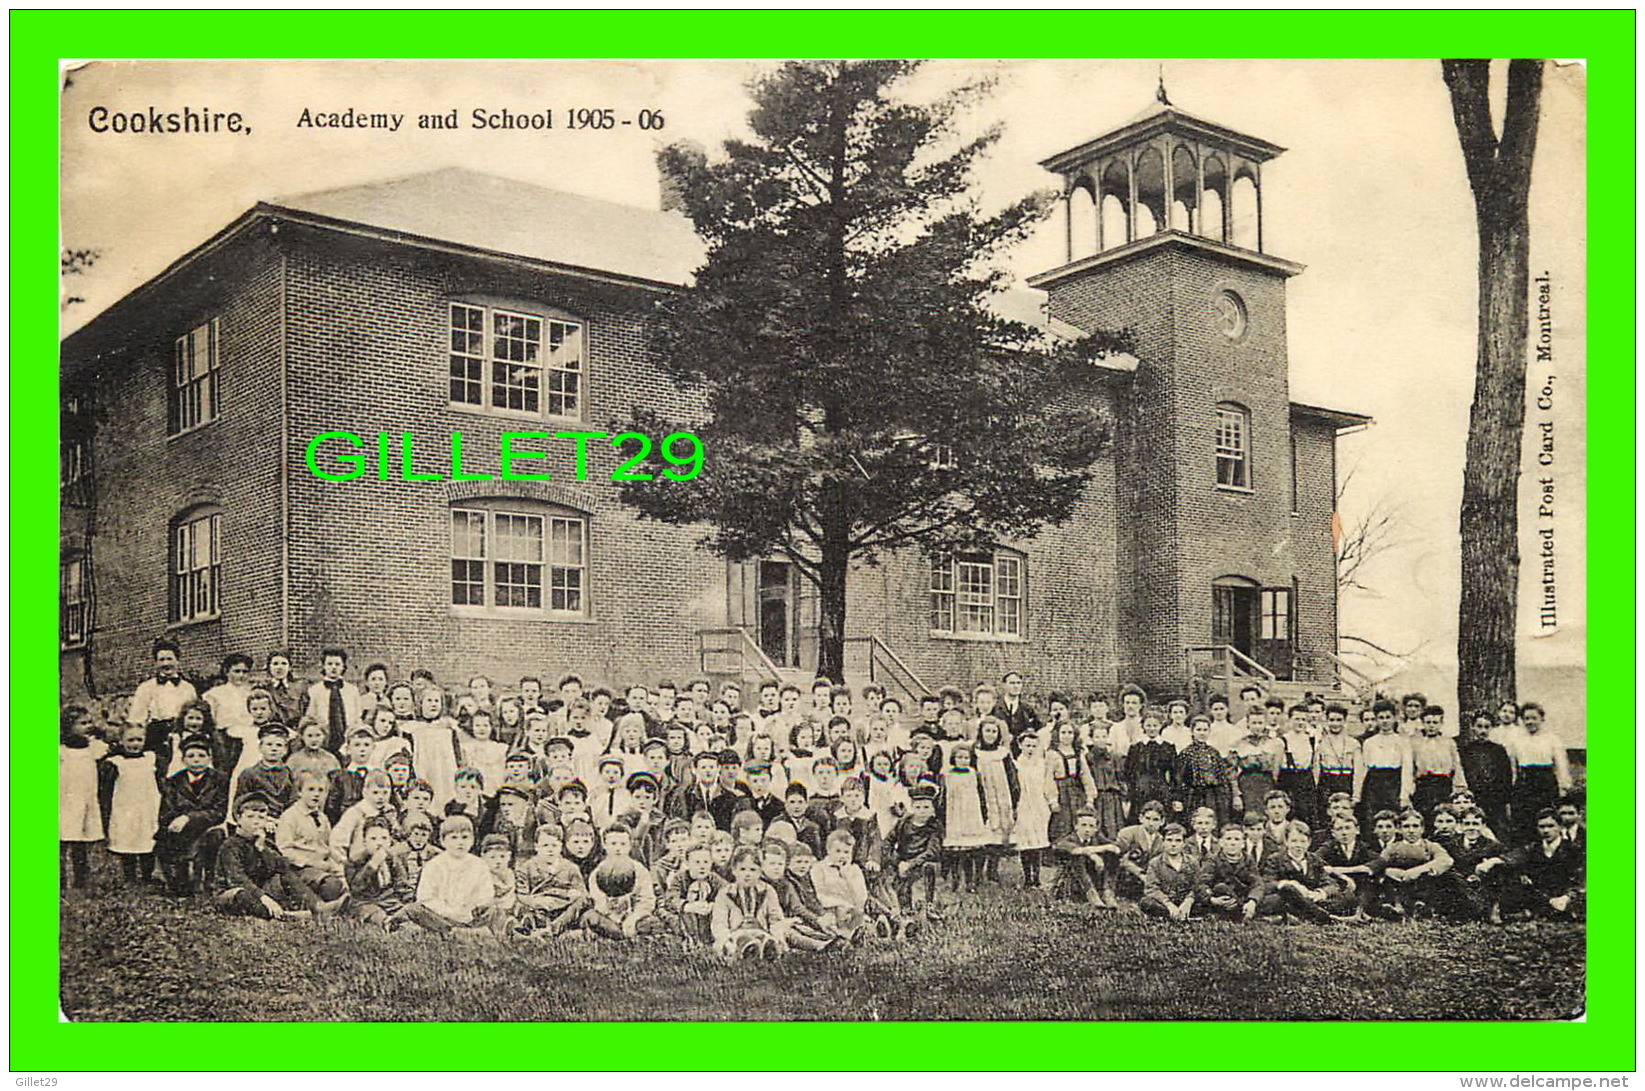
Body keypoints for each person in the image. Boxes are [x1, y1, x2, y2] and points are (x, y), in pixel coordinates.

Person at [216, 793, 345, 920]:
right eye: (250, 817)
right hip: (234, 892)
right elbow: (238, 878)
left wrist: (262, 849)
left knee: (286, 876)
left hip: (261, 890)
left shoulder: (264, 842)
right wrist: (264, 898)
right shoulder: (230, 845)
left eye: (261, 818)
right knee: (242, 895)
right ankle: (289, 916)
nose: (256, 822)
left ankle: (316, 907)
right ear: (238, 819)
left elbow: (283, 867)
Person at [392, 814, 495, 936]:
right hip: (440, 916)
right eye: (454, 838)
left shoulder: (479, 864)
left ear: (472, 840)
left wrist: (471, 909)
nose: (460, 843)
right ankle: (459, 932)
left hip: (469, 914)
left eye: (465, 837)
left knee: (494, 910)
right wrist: (450, 912)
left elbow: (485, 894)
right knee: (414, 909)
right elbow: (426, 897)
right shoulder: (434, 865)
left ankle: (463, 931)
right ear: (443, 841)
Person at [155, 734, 230, 895]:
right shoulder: (174, 781)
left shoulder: (220, 780)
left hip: (206, 829)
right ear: (183, 760)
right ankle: (180, 878)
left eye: (202, 756)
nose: (197, 760)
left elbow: (219, 812)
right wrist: (177, 821)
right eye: (191, 756)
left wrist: (189, 818)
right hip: (180, 833)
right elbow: (166, 812)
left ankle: (209, 880)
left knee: (216, 835)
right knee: (180, 887)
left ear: (209, 758)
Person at [98, 724, 162, 885]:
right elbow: (106, 790)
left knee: (148, 840)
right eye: (130, 740)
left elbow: (161, 783)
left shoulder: (151, 759)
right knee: (128, 840)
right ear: (121, 741)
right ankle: (130, 877)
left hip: (148, 807)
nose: (135, 744)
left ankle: (147, 876)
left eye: (139, 740)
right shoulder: (116, 762)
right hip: (126, 808)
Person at [1500, 808, 1584, 921]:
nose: (1546, 830)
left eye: (1550, 826)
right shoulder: (1533, 848)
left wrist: (1566, 897)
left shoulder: (1573, 850)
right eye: (1542, 826)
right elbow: (1514, 858)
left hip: (1563, 897)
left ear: (1560, 827)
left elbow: (1579, 880)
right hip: (1540, 897)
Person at [275, 772, 348, 902]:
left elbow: (328, 847)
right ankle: (318, 904)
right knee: (332, 886)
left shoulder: (322, 818)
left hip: (323, 867)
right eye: (311, 789)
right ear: (299, 792)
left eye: (321, 790)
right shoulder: (290, 817)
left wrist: (338, 867)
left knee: (349, 880)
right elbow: (285, 850)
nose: (316, 794)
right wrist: (312, 863)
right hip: (301, 869)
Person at [1505, 703, 1572, 842]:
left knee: (1546, 818)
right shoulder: (1516, 740)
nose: (1530, 722)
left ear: (1542, 719)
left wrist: (1563, 786)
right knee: (1524, 822)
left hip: (1545, 781)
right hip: (1524, 782)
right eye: (1526, 718)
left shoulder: (1552, 739)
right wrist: (1513, 786)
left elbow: (1561, 765)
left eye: (1534, 718)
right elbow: (1512, 766)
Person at [127, 638, 199, 765]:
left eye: (169, 659)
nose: (166, 664)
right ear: (155, 663)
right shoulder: (146, 688)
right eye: (161, 660)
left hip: (181, 735)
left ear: (178, 661)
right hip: (156, 735)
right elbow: (136, 719)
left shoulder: (188, 688)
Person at [60, 705, 108, 891]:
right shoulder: (61, 751)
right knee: (63, 840)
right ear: (68, 726)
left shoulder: (94, 747)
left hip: (86, 800)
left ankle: (81, 882)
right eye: (82, 723)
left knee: (81, 842)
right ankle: (61, 881)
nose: (88, 726)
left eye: (89, 722)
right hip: (65, 801)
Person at [711, 847, 788, 961]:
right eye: (742, 869)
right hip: (735, 934)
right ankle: (747, 950)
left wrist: (777, 936)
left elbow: (775, 918)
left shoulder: (767, 891)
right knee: (737, 942)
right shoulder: (725, 893)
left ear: (760, 871)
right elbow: (719, 922)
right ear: (734, 870)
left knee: (766, 939)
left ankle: (767, 949)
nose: (747, 874)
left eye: (752, 870)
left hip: (761, 931)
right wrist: (725, 939)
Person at [1258, 821, 1343, 923]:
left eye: (1302, 841)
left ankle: (1302, 916)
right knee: (1286, 892)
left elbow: (1330, 883)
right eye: (1294, 841)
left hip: (1310, 899)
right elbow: (1266, 883)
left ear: (1309, 842)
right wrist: (1288, 883)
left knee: (1344, 896)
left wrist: (1320, 893)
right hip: (1287, 899)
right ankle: (1323, 917)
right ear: (1286, 841)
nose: (1298, 845)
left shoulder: (1314, 860)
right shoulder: (1275, 859)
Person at [1375, 809, 1453, 919]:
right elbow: (1379, 863)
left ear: (1422, 829)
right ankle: (1396, 907)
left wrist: (1418, 870)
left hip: (1422, 886)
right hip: (1400, 886)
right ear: (1399, 830)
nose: (1411, 831)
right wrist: (1388, 870)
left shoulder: (1430, 846)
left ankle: (1422, 907)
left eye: (1415, 826)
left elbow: (1446, 860)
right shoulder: (1392, 848)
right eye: (1406, 827)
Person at [886, 783, 945, 919]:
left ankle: (929, 905)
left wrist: (910, 864)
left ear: (932, 809)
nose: (922, 811)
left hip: (922, 862)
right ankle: (903, 910)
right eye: (918, 807)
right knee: (896, 886)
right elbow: (889, 841)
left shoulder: (934, 826)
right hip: (903, 861)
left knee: (928, 868)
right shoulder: (904, 822)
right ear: (912, 807)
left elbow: (932, 851)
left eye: (926, 807)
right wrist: (896, 860)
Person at [973, 718, 1018, 885]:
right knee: (982, 836)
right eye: (987, 731)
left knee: (997, 835)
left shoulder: (1003, 753)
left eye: (994, 731)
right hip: (983, 797)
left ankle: (992, 871)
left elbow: (1012, 777)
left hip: (1001, 797)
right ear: (981, 733)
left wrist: (1013, 799)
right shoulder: (975, 752)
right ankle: (978, 874)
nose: (990, 735)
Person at [941, 743, 990, 893]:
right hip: (955, 816)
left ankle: (971, 881)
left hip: (971, 815)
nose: (963, 760)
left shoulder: (974, 773)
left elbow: (981, 794)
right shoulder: (947, 775)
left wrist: (984, 812)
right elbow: (943, 797)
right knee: (955, 852)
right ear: (953, 758)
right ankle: (955, 880)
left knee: (970, 850)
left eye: (966, 758)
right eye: (959, 757)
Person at [1457, 710, 1515, 837]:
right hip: (1475, 796)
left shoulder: (1498, 750)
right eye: (1479, 726)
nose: (1483, 731)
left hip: (1496, 798)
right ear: (1472, 727)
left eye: (1486, 727)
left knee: (1498, 828)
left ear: (1492, 728)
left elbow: (1506, 775)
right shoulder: (1466, 750)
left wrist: (1505, 799)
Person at [1010, 730, 1056, 889]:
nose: (1030, 749)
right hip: (1023, 805)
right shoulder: (1016, 765)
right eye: (1027, 745)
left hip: (1039, 806)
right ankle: (1027, 878)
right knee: (1025, 842)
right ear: (1020, 746)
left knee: (1038, 842)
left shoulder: (1042, 765)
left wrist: (1051, 801)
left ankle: (1036, 878)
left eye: (1034, 746)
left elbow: (1048, 785)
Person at [1356, 700, 1413, 829]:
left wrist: (1404, 795)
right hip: (1373, 783)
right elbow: (1363, 769)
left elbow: (1407, 769)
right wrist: (1358, 793)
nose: (1385, 721)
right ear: (1376, 720)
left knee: (1393, 818)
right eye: (1381, 718)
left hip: (1393, 782)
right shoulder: (1369, 742)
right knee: (1372, 819)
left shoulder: (1402, 741)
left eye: (1388, 717)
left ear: (1394, 718)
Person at [405, 688, 464, 810]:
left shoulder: (448, 729)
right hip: (423, 771)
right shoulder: (412, 729)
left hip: (445, 774)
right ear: (420, 704)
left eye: (436, 701)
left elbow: (457, 756)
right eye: (429, 701)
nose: (433, 704)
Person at [1192, 824, 1263, 921]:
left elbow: (1257, 883)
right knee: (1220, 887)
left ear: (1243, 844)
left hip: (1244, 898)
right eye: (1228, 839)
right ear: (1221, 842)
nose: (1232, 843)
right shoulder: (1213, 859)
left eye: (1237, 839)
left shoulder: (1248, 860)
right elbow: (1202, 883)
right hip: (1223, 899)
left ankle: (1243, 911)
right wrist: (1212, 900)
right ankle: (1242, 914)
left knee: (1274, 899)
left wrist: (1252, 901)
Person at [1175, 715, 1235, 829]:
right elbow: (1179, 778)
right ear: (1192, 732)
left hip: (1212, 795)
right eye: (1198, 730)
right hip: (1193, 796)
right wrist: (1179, 798)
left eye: (1205, 730)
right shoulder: (1186, 753)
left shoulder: (1214, 753)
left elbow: (1221, 777)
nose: (1202, 733)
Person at [1409, 706, 1469, 819]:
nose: (1431, 726)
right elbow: (1411, 768)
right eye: (1428, 722)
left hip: (1443, 786)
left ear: (1441, 723)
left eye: (1435, 722)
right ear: (1423, 723)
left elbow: (1456, 766)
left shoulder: (1449, 743)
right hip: (1424, 786)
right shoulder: (1415, 743)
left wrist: (1460, 787)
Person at [303, 648, 365, 754]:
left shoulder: (352, 690)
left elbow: (357, 716)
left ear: (343, 666)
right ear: (323, 666)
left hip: (347, 740)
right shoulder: (314, 691)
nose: (333, 667)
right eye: (329, 664)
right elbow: (310, 717)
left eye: (337, 664)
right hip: (324, 740)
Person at [1052, 810, 1118, 908]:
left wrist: (1106, 851)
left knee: (1111, 854)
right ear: (1076, 826)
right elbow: (1076, 850)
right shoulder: (1069, 839)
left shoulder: (1096, 838)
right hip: (1073, 882)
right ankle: (1092, 895)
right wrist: (1093, 855)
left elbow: (1115, 847)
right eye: (1083, 825)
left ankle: (1107, 892)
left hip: (1094, 878)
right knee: (1077, 857)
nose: (1087, 829)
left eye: (1091, 826)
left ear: (1096, 829)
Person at [346, 818, 404, 929]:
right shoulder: (355, 861)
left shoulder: (392, 859)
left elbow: (401, 882)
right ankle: (387, 923)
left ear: (390, 841)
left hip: (388, 900)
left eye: (384, 838)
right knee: (372, 911)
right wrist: (373, 864)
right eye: (373, 839)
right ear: (364, 841)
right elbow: (356, 887)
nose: (379, 843)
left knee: (403, 909)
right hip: (365, 901)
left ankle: (401, 920)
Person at [1312, 704, 1361, 826]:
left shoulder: (1353, 743)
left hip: (1346, 782)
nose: (1335, 724)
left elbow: (1359, 771)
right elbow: (1316, 769)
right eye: (1332, 720)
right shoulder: (1321, 743)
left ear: (1344, 721)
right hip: (1327, 783)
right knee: (1326, 819)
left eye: (1339, 720)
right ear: (1327, 721)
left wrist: (1356, 794)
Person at [1139, 822, 1197, 920]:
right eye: (1169, 840)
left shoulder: (1192, 862)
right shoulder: (1155, 863)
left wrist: (1188, 901)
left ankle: (1181, 913)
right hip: (1165, 901)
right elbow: (1151, 888)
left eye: (1178, 841)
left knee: (1204, 899)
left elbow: (1197, 885)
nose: (1173, 844)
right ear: (1163, 842)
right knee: (1146, 903)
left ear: (1184, 843)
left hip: (1185, 900)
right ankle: (1172, 914)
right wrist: (1168, 904)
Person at [1124, 713, 1177, 818]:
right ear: (1143, 726)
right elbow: (1129, 773)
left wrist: (1173, 794)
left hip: (1161, 790)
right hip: (1140, 790)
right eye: (1148, 725)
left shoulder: (1168, 747)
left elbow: (1175, 774)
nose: (1152, 729)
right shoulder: (1136, 748)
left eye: (1155, 725)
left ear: (1161, 726)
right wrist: (1130, 794)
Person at [1275, 705, 1317, 824]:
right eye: (1297, 719)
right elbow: (1276, 768)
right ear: (1289, 720)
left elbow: (1314, 764)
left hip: (1305, 781)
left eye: (1303, 719)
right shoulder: (1282, 741)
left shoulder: (1311, 740)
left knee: (1306, 815)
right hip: (1288, 779)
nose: (1300, 722)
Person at [287, 718, 341, 784]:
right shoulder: (294, 760)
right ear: (302, 736)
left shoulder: (330, 759)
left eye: (318, 735)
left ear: (324, 736)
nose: (314, 740)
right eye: (309, 736)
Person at [262, 650, 305, 727]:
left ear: (290, 668)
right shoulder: (263, 688)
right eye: (275, 664)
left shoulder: (300, 688)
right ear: (269, 667)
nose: (280, 667)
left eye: (284, 664)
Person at [997, 671, 1042, 740]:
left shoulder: (1027, 709)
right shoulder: (996, 708)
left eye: (1018, 683)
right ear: (1004, 685)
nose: (1016, 686)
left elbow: (1038, 729)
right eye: (1012, 683)